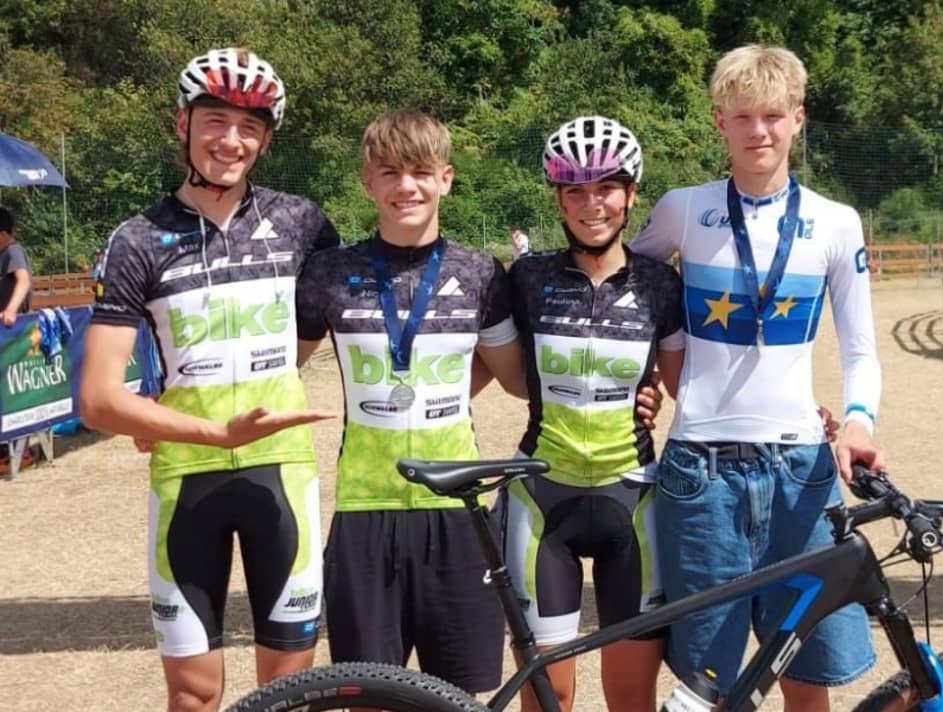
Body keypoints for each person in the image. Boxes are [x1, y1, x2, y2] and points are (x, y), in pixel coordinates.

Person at [80, 48, 338, 712]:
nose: (231, 140)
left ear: (266, 139)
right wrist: (204, 429)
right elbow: (98, 399)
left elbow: (318, 322)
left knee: (290, 694)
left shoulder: (303, 224)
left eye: (249, 126)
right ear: (182, 124)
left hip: (281, 473)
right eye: (215, 120)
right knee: (194, 695)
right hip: (186, 480)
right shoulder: (137, 239)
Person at [630, 44, 886, 712]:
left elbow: (861, 350)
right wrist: (640, 378)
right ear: (720, 121)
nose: (759, 131)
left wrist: (859, 421)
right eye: (743, 116)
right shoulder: (684, 208)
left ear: (798, 118)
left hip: (802, 470)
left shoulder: (836, 222)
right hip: (700, 473)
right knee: (708, 685)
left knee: (805, 677)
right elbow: (623, 295)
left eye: (773, 115)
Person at [295, 108, 527, 695]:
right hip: (363, 510)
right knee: (368, 696)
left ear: (445, 178)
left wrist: (642, 385)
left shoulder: (480, 273)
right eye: (390, 172)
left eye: (421, 172)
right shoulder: (329, 272)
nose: (407, 187)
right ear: (367, 181)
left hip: (457, 510)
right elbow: (277, 367)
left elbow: (519, 380)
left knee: (460, 697)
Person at [501, 116, 685, 712]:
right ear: (558, 199)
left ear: (631, 195)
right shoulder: (527, 277)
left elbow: (688, 380)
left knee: (630, 696)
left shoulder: (661, 284)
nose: (591, 204)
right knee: (547, 696)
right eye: (575, 190)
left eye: (606, 188)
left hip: (631, 499)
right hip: (541, 498)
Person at [0, 207, 32, 326]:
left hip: (12, 325)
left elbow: (24, 281)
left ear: (3, 235)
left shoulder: (13, 251)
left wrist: (11, 310)